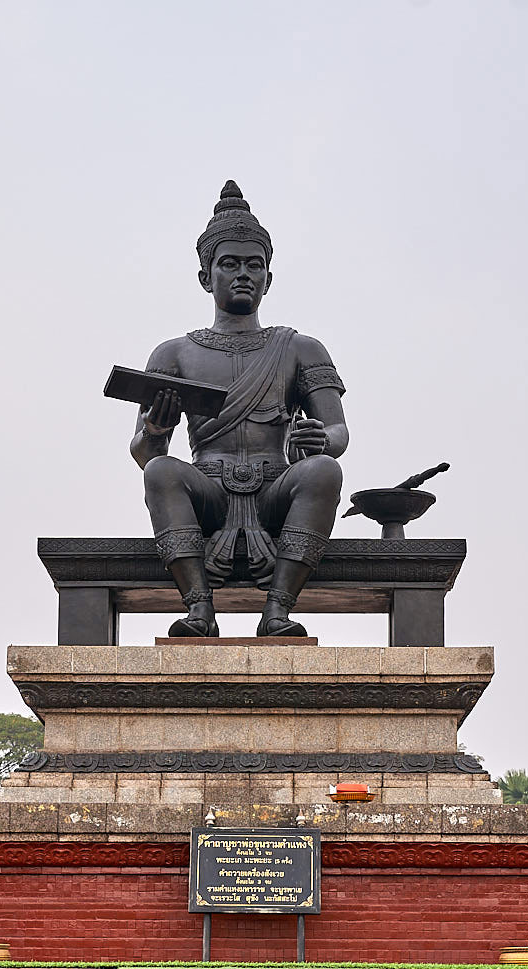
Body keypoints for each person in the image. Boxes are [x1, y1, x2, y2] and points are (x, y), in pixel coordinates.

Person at [131, 181, 349, 638]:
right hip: (206, 488)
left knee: (324, 470)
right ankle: (199, 609)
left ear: (269, 278)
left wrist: (319, 440)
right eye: (229, 264)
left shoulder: (299, 348)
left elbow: (338, 432)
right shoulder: (173, 354)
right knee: (161, 473)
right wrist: (155, 426)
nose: (243, 274)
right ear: (206, 276)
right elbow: (145, 453)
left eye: (255, 265)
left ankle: (277, 611)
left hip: (276, 487)